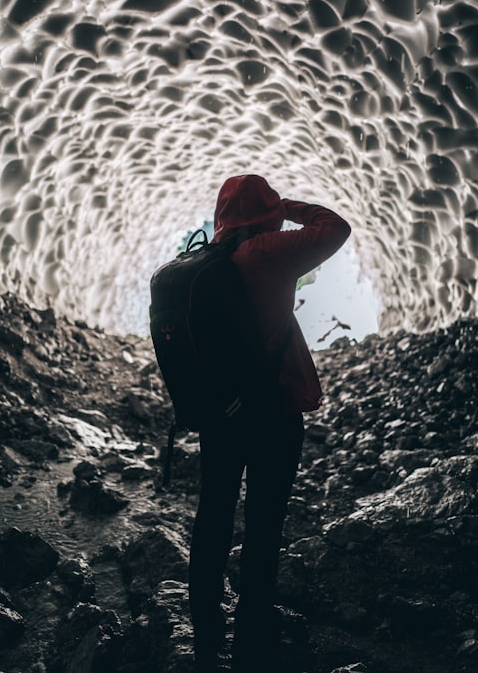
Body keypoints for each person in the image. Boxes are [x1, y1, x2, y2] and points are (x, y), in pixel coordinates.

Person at [188, 174, 351, 672]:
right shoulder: (268, 250)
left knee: (213, 516)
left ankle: (205, 630)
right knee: (263, 523)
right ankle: (252, 631)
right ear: (265, 209)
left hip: (221, 413)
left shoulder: (203, 261)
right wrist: (285, 207)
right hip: (272, 412)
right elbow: (335, 227)